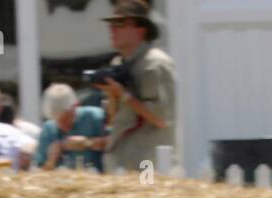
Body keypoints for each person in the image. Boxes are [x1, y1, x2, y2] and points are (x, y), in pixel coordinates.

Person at [98, 0, 177, 173]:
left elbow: (161, 118)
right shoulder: (117, 64)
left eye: (120, 24)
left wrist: (124, 95)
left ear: (141, 29)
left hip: (147, 162)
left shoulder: (155, 64)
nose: (112, 30)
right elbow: (111, 119)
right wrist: (112, 95)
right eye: (111, 24)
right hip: (120, 158)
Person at [35, 83, 106, 171]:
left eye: (66, 119)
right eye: (57, 121)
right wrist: (51, 160)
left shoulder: (95, 117)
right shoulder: (48, 129)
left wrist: (88, 143)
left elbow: (116, 143)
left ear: (75, 106)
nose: (62, 125)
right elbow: (40, 172)